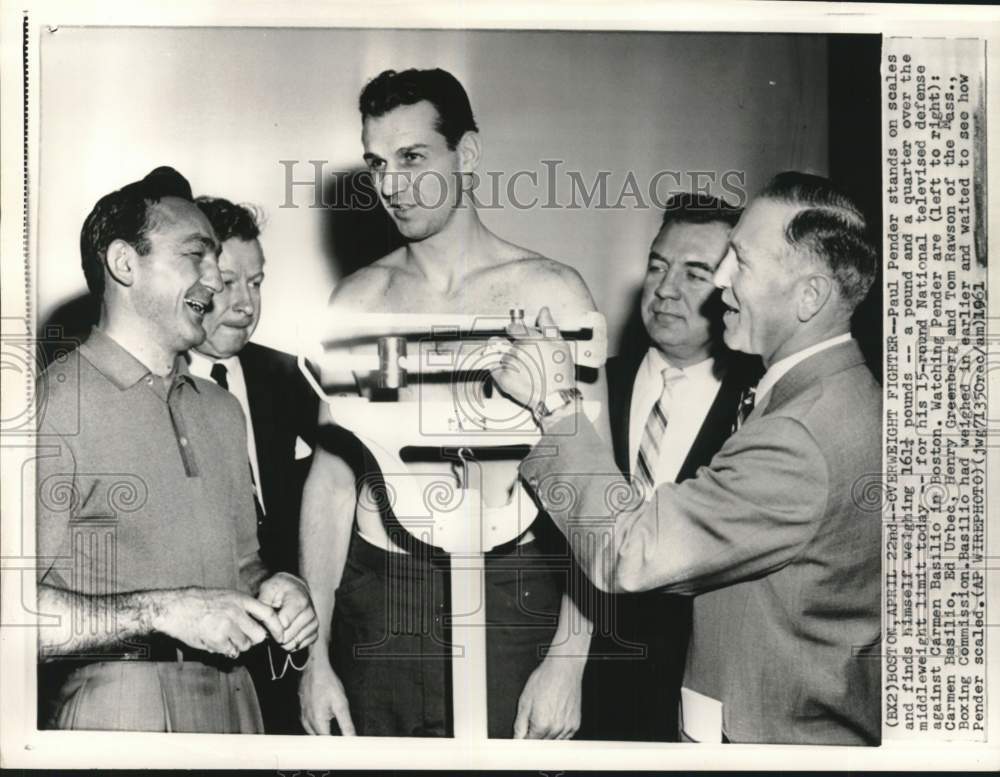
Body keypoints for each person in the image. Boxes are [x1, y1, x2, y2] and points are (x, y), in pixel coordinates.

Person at [492, 171, 881, 745]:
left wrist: (554, 402)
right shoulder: (842, 395)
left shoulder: (799, 437)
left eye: (739, 263)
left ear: (810, 296)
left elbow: (627, 551)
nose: (719, 283)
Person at [299, 68, 607, 739]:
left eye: (413, 158)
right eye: (378, 163)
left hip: (513, 590)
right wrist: (313, 655)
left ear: (467, 154)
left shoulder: (552, 292)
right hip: (380, 594)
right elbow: (331, 481)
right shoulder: (358, 301)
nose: (392, 186)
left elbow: (594, 489)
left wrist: (569, 657)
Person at [35, 167, 318, 733]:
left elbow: (242, 567)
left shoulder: (220, 410)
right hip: (118, 710)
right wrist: (164, 613)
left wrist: (277, 588)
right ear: (124, 263)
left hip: (240, 707)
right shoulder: (53, 406)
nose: (215, 281)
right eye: (197, 255)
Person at [581, 193, 758, 742]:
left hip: (693, 698)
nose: (665, 289)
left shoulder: (758, 406)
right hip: (577, 677)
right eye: (657, 265)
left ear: (731, 287)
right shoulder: (592, 383)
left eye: (695, 273)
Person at [187, 196, 320, 734]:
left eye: (257, 283)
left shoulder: (295, 378)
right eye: (227, 283)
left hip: (294, 647)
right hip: (201, 663)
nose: (245, 305)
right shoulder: (153, 387)